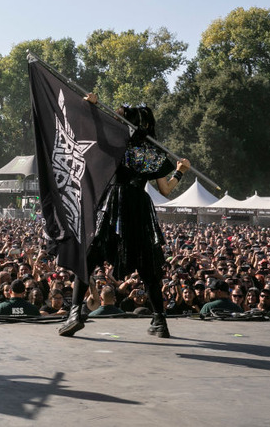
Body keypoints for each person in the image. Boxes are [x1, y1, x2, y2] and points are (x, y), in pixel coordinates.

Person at [59, 95, 191, 338]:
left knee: (89, 258)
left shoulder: (117, 145)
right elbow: (165, 190)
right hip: (139, 206)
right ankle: (159, 320)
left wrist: (93, 108)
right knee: (148, 265)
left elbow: (96, 134)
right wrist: (180, 172)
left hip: (114, 203)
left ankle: (75, 312)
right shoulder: (154, 153)